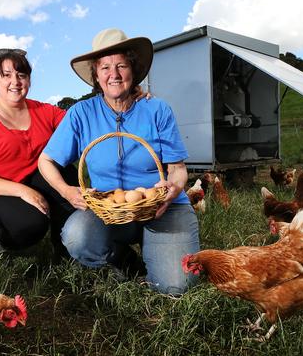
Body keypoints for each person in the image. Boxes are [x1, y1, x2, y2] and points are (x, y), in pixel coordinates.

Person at [38, 28, 200, 294]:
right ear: (96, 75)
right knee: (77, 236)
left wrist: (171, 192)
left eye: (121, 65)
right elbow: (46, 161)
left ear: (132, 70)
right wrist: (67, 191)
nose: (113, 74)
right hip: (111, 211)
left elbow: (178, 170)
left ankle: (157, 247)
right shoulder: (81, 113)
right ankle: (123, 259)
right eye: (105, 67)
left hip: (163, 207)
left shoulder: (157, 109)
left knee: (175, 286)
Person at [0, 48, 76, 257]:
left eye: (21, 75)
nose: (15, 81)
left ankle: (65, 250)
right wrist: (22, 191)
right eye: (6, 75)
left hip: (24, 182)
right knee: (31, 221)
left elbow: (81, 124)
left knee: (66, 174)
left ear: (29, 79)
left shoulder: (43, 111)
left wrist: (127, 99)